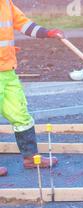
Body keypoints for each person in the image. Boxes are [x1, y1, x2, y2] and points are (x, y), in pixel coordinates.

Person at [0, 0, 64, 177]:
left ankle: (30, 157)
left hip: (7, 71)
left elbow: (24, 24)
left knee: (21, 115)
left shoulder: (6, 3)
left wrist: (47, 33)